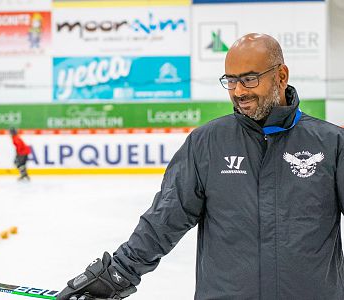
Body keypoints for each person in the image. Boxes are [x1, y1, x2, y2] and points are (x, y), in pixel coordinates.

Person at [57, 33, 344, 300]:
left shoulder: (331, 144)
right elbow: (164, 219)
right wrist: (118, 273)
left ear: (281, 76)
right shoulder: (206, 143)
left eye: (250, 79)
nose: (239, 91)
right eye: (231, 80)